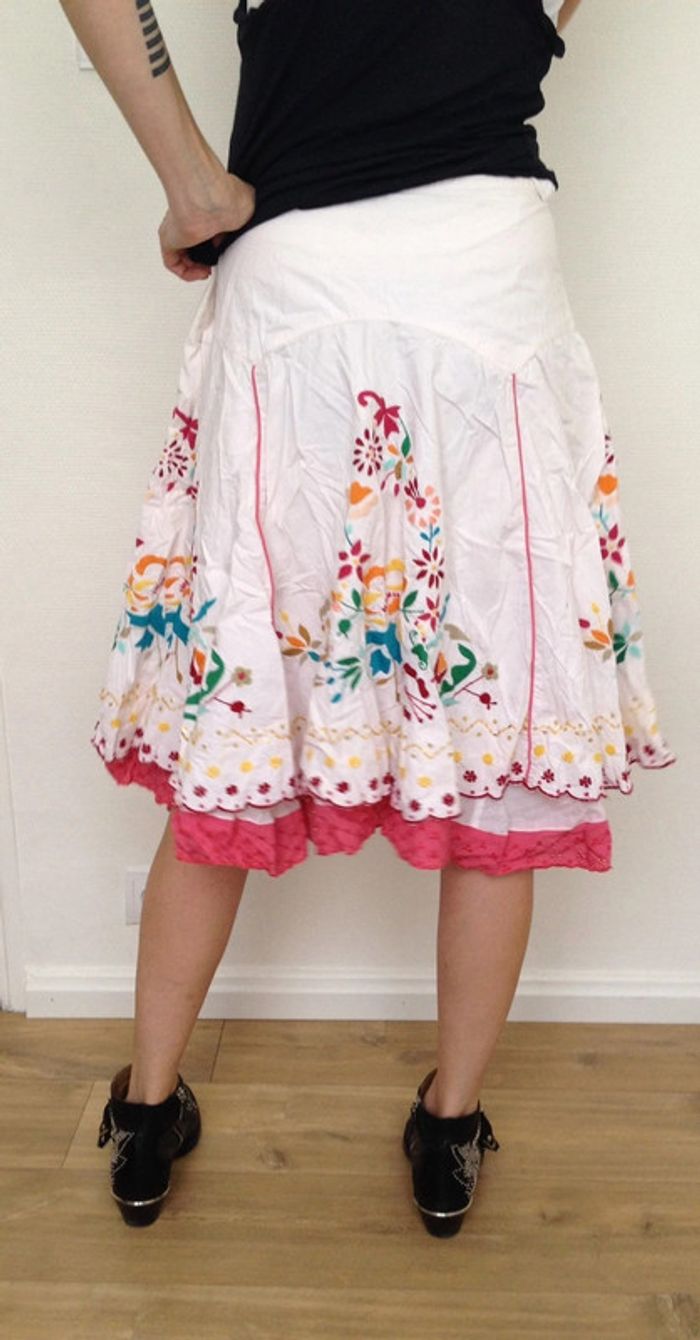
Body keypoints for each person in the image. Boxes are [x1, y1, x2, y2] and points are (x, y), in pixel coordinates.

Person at [59, 0, 676, 1236]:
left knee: (238, 713)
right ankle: (449, 1123)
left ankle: (150, 1105)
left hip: (297, 291)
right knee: (499, 733)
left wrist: (190, 182)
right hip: (490, 290)